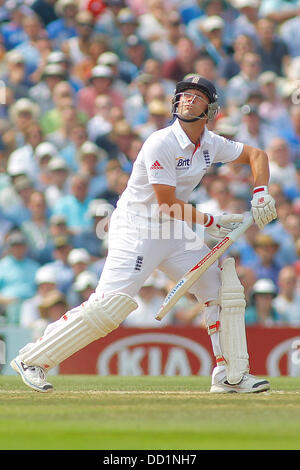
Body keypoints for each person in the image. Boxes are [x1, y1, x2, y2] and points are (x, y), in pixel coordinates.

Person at [11, 74, 277, 393]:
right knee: (111, 306)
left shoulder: (211, 144)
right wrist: (209, 222)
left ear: (212, 109)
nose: (188, 99)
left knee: (222, 291)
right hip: (137, 227)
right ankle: (33, 359)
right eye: (184, 94)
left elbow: (256, 155)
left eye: (197, 95)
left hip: (174, 231)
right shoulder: (161, 142)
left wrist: (261, 192)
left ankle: (230, 374)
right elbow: (165, 204)